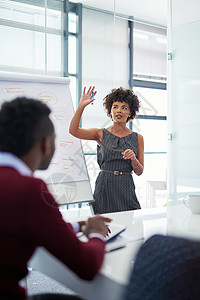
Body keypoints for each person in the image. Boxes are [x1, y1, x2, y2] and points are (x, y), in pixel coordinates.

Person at [0, 97, 112, 300]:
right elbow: (86, 267)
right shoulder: (28, 190)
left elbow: (30, 226)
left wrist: (78, 226)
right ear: (45, 144)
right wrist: (96, 234)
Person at [69, 86, 144, 214]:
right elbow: (73, 131)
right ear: (110, 111)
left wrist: (133, 159)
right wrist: (81, 106)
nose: (119, 110)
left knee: (130, 225)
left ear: (130, 113)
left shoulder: (137, 138)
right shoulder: (100, 133)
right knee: (102, 227)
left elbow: (139, 171)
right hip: (105, 185)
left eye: (124, 107)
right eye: (115, 107)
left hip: (126, 186)